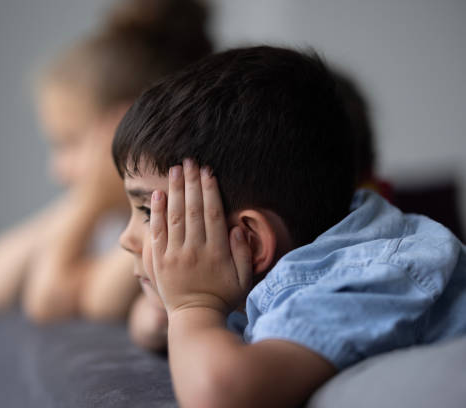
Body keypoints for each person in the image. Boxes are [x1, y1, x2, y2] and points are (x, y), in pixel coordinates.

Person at [112, 45, 466, 407]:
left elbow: (218, 395)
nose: (126, 239)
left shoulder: (366, 277)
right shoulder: (293, 254)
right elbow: (148, 321)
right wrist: (171, 309)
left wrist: (192, 306)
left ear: (249, 241)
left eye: (147, 211)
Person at [0, 0, 213, 324]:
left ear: (123, 128)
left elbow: (49, 299)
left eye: (69, 143)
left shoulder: (164, 217)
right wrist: (87, 199)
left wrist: (89, 201)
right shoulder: (107, 210)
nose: (56, 170)